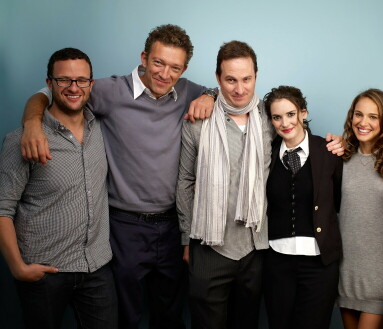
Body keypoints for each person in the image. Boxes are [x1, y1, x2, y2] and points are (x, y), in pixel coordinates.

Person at [20, 25, 216, 329]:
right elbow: (50, 92)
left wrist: (211, 97)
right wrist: (32, 123)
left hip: (173, 225)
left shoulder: (189, 91)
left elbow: (228, 93)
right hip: (124, 225)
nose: (165, 74)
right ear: (144, 58)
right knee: (126, 315)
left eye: (175, 67)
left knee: (170, 314)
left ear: (184, 69)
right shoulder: (109, 91)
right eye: (158, 63)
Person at [0, 48, 117, 329]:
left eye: (81, 80)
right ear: (49, 83)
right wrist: (17, 267)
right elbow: (3, 207)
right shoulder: (23, 140)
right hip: (45, 272)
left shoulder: (103, 129)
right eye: (64, 80)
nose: (73, 87)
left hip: (97, 267)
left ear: (91, 84)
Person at [176, 40, 274, 329]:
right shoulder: (198, 120)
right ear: (218, 78)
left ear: (256, 75)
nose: (240, 89)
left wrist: (339, 143)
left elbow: (301, 147)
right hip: (209, 246)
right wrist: (185, 239)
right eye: (230, 79)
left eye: (247, 79)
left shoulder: (271, 119)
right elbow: (184, 181)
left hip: (255, 247)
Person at [262, 85, 343, 329]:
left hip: (319, 263)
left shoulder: (329, 151)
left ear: (303, 113)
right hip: (277, 261)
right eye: (277, 117)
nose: (284, 123)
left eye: (290, 114)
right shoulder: (266, 152)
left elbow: (338, 201)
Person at [336, 89, 383, 329]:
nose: (363, 122)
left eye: (373, 117)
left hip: (381, 271)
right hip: (346, 267)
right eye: (358, 114)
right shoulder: (341, 158)